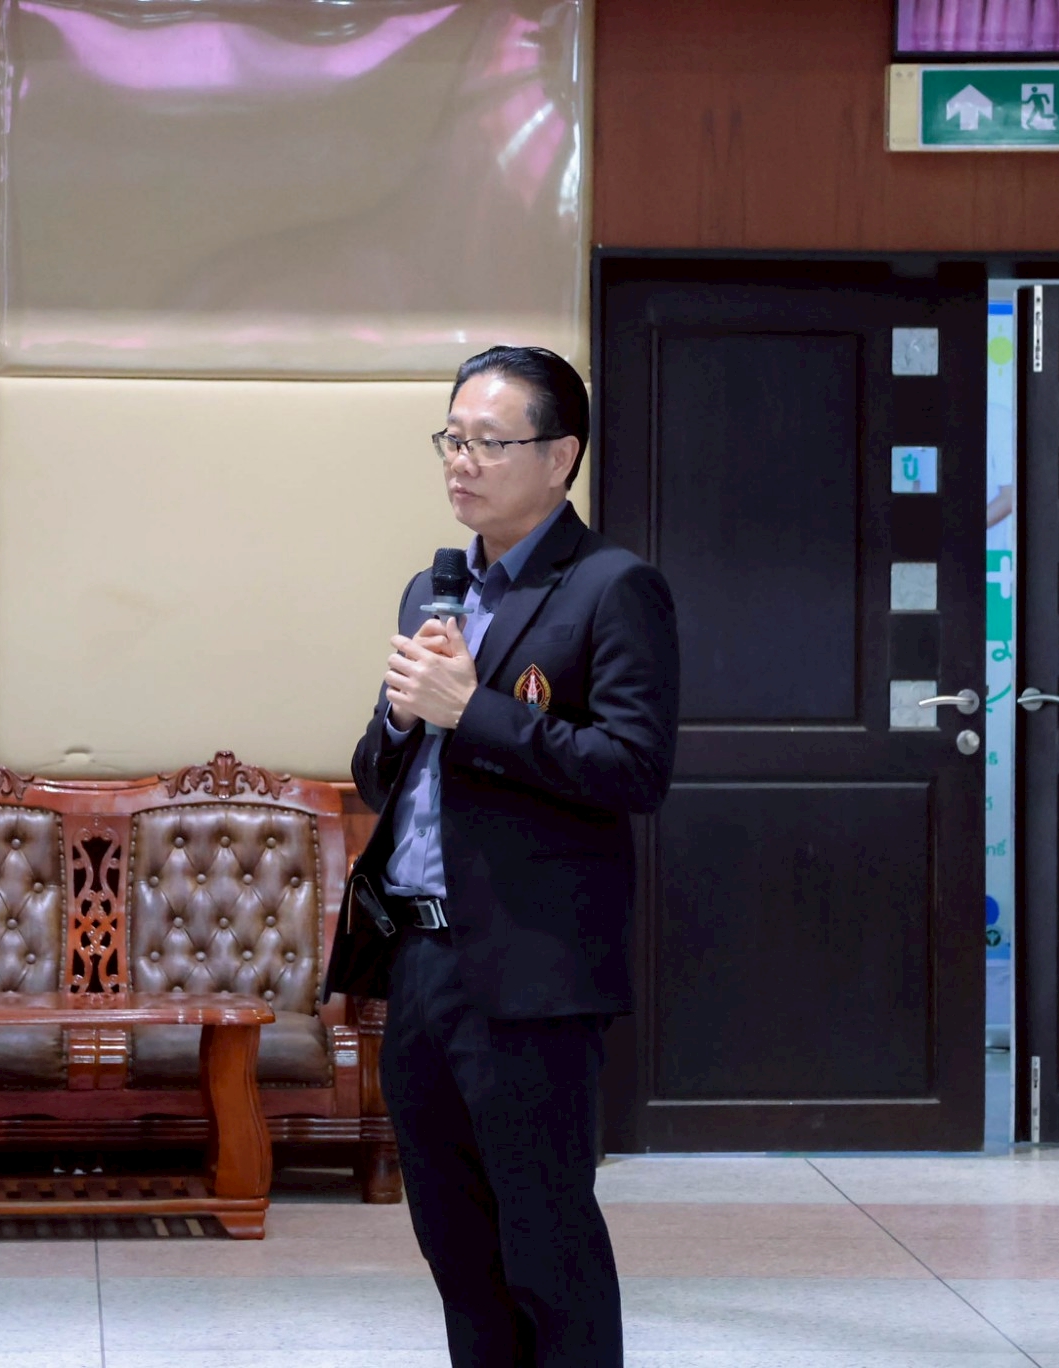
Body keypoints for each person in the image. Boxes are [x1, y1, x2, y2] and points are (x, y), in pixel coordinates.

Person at [322, 345, 680, 1368]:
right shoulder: (428, 593)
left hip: (531, 974)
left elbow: (633, 769)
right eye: (451, 439)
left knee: (546, 1246)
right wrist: (404, 722)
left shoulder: (611, 588)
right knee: (456, 1249)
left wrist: (469, 711)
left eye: (488, 442)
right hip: (419, 959)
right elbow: (382, 775)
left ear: (559, 457)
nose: (461, 462)